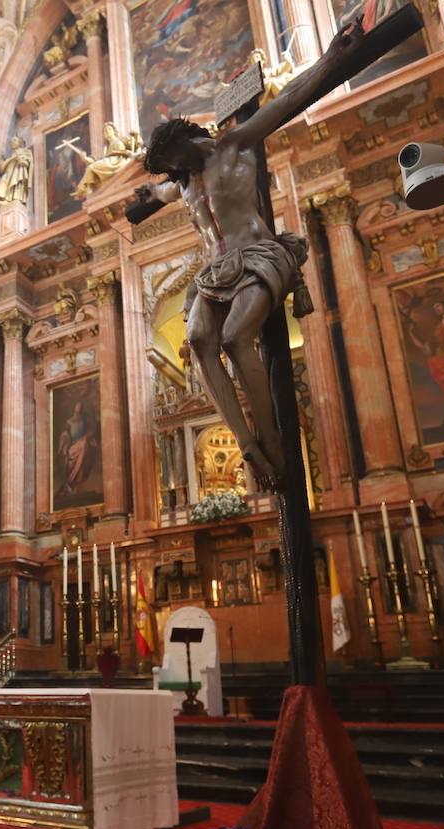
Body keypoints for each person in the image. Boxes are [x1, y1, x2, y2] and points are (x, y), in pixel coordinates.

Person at [137, 21, 367, 487]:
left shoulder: (233, 145)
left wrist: (331, 60)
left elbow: (287, 102)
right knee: (199, 342)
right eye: (171, 171)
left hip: (259, 255)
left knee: (235, 337)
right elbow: (154, 195)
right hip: (213, 270)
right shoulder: (181, 183)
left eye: (176, 163)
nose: (177, 174)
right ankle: (246, 443)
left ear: (185, 141)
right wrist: (142, 199)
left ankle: (272, 439)